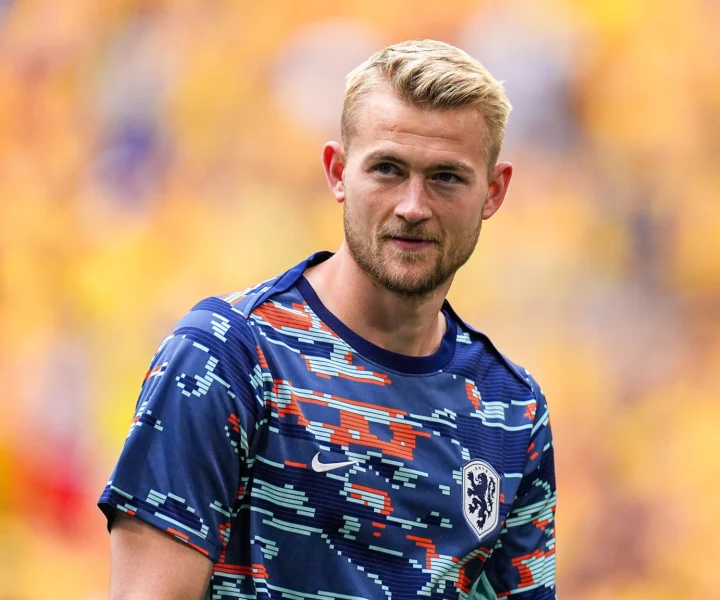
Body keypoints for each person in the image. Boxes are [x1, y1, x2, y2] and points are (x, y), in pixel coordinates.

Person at [99, 39, 557, 600]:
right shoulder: (227, 359)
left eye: (446, 177)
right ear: (338, 172)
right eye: (387, 169)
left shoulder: (513, 412)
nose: (413, 206)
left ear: (494, 190)